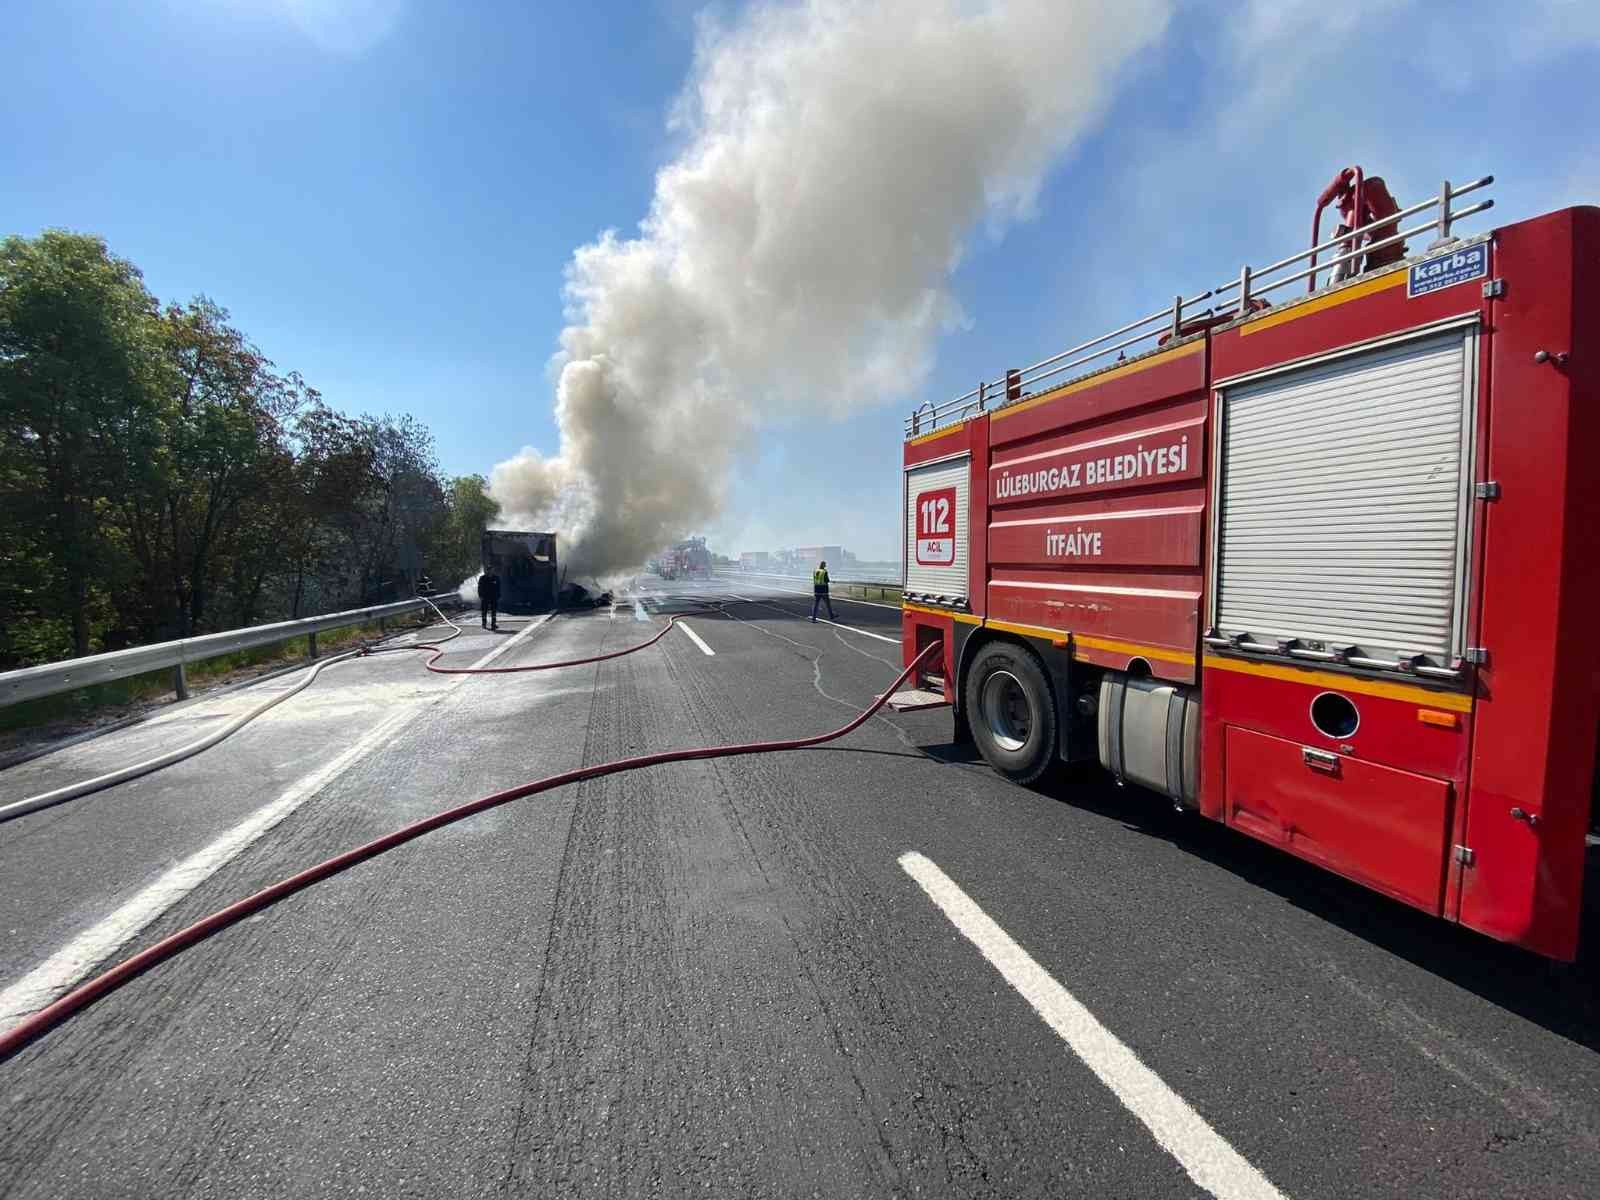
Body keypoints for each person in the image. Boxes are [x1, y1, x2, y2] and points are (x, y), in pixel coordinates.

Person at [478, 565, 501, 630]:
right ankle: (484, 624)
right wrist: (480, 595)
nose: (490, 571)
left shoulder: (496, 578)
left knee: (494, 611)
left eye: (492, 570)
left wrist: (498, 595)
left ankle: (493, 624)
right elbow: (479, 588)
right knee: (484, 611)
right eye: (489, 570)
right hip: (485, 597)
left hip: (494, 597)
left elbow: (498, 587)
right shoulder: (482, 578)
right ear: (487, 571)